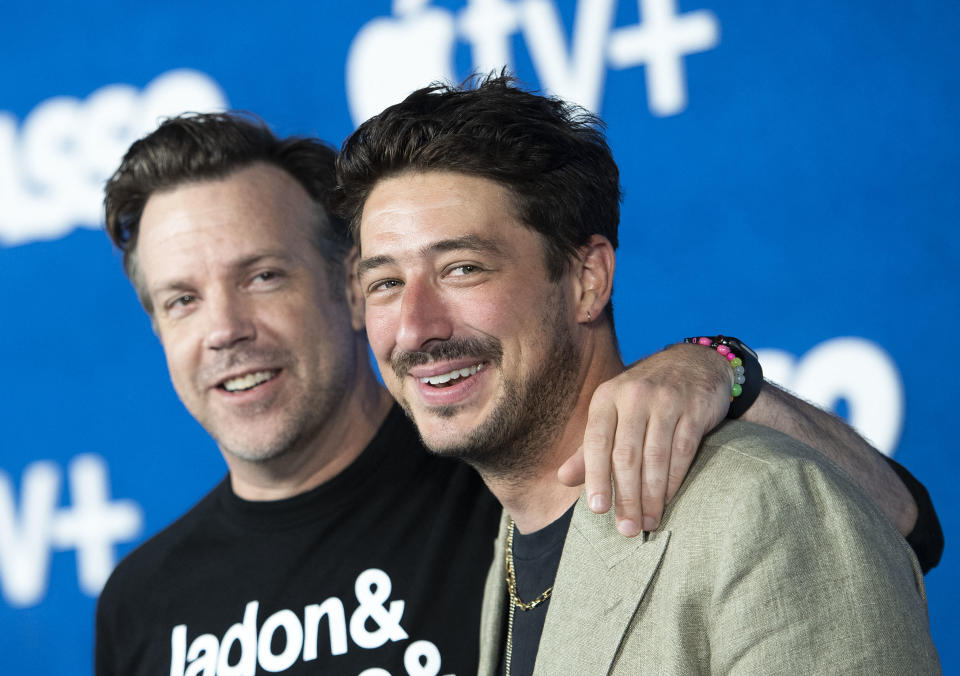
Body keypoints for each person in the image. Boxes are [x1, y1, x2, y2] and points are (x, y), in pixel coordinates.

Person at [96, 112, 939, 676]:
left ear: (337, 289)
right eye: (180, 299)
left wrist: (720, 368)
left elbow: (890, 522)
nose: (225, 329)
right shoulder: (138, 602)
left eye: (264, 275)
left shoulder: (488, 469)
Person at [338, 75, 942, 674]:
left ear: (588, 280)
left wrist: (724, 365)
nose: (416, 328)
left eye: (463, 269)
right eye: (385, 283)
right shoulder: (509, 544)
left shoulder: (762, 505)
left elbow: (910, 524)